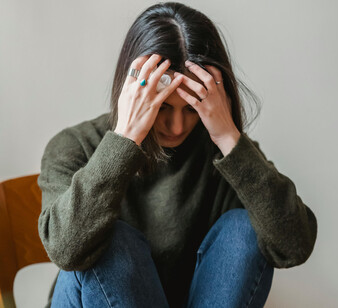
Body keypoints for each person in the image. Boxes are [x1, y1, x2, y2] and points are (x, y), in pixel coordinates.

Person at [37, 2, 318, 308]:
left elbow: (294, 247)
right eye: (163, 107)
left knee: (244, 228)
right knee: (111, 241)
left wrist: (227, 136)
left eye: (191, 108)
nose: (177, 126)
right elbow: (66, 250)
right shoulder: (74, 146)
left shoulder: (224, 155)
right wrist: (124, 140)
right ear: (133, 91)